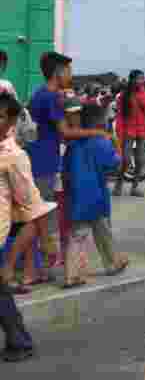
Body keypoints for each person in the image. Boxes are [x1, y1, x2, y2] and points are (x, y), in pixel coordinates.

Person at [27, 52, 108, 286]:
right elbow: (66, 132)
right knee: (40, 219)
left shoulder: (42, 93)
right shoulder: (51, 97)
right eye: (68, 71)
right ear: (58, 73)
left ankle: (37, 269)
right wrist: (97, 132)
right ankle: (35, 270)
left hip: (38, 160)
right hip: (44, 164)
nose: (71, 76)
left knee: (37, 217)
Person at [62, 96, 130, 287]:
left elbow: (66, 168)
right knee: (102, 231)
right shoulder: (101, 141)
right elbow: (115, 163)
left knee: (78, 234)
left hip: (77, 194)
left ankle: (73, 274)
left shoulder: (74, 144)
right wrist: (116, 143)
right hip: (97, 195)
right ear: (100, 122)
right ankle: (110, 263)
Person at [0, 93, 44, 362]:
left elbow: (31, 210)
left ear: (11, 122)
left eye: (0, 117)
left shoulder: (15, 157)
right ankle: (19, 341)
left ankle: (20, 342)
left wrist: (10, 261)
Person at [113, 69, 145, 198]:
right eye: (138, 78)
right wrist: (119, 131)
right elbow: (120, 116)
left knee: (140, 160)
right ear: (132, 80)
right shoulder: (123, 96)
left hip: (143, 131)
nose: (141, 81)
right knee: (126, 159)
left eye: (142, 79)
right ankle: (119, 183)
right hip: (128, 130)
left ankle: (135, 186)